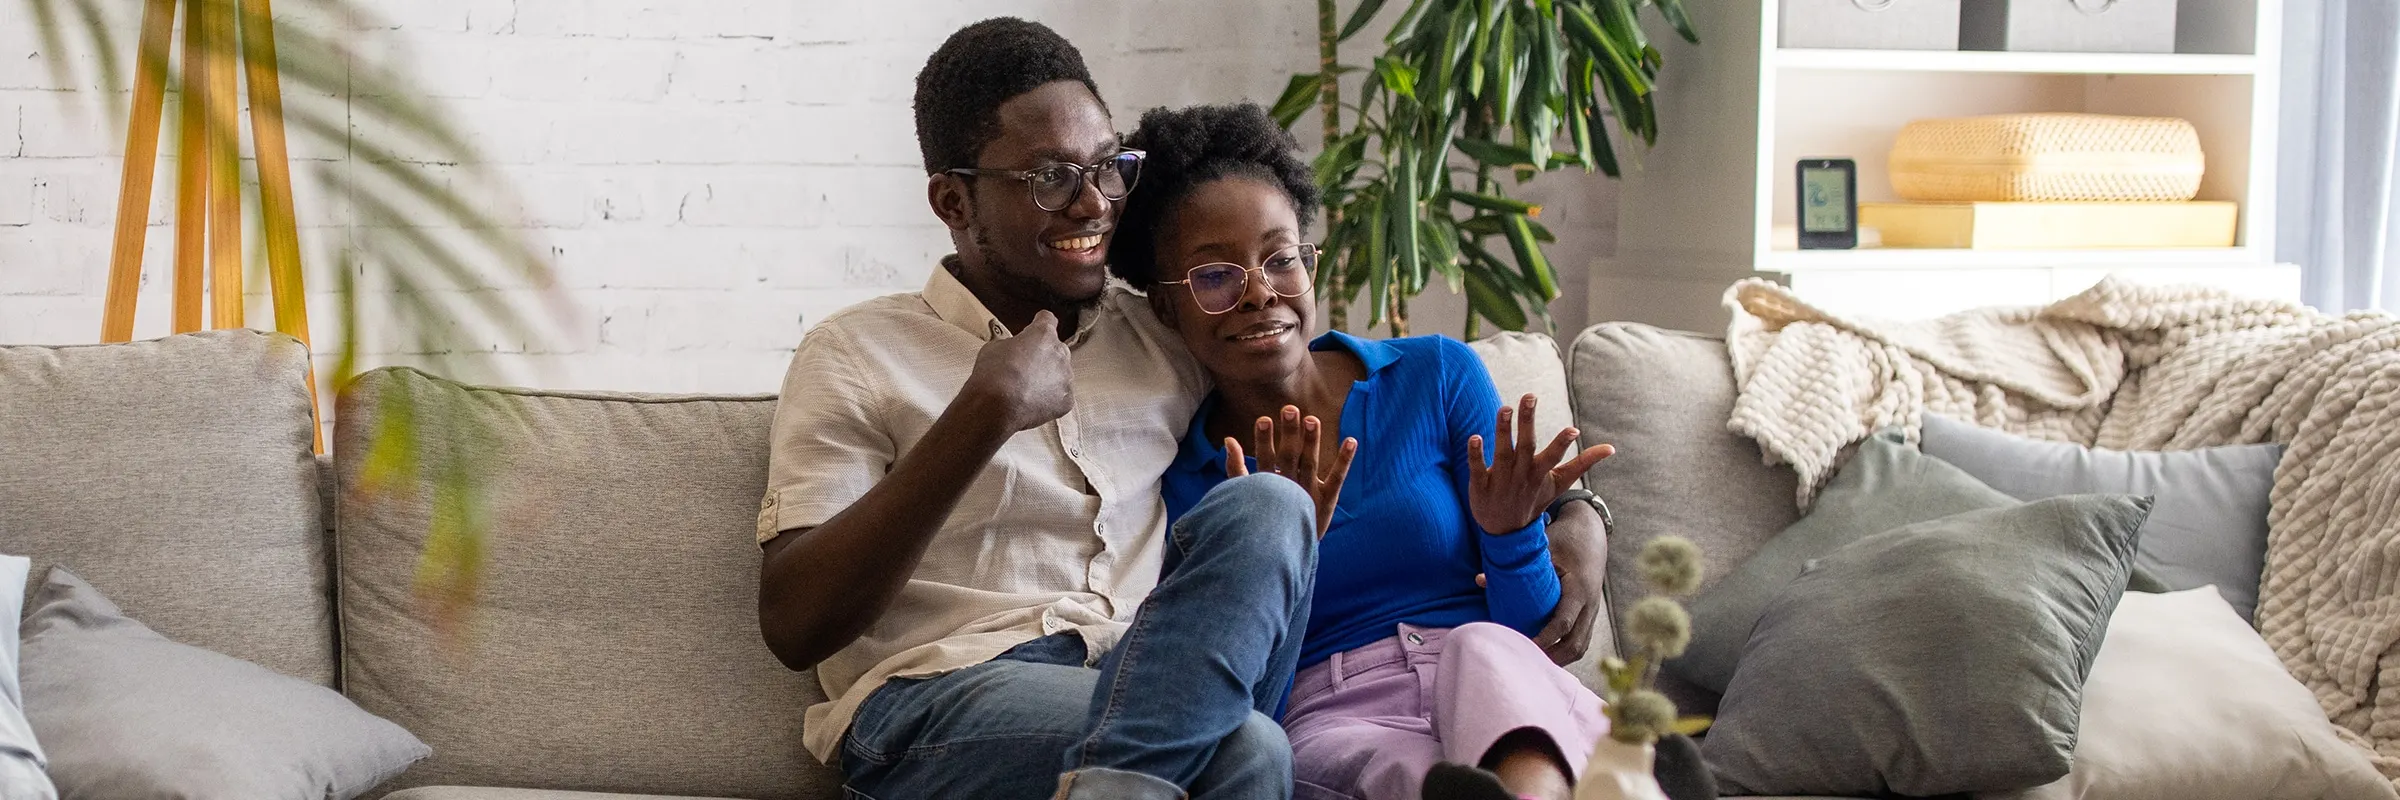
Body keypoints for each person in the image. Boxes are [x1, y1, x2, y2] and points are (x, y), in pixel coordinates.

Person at [757, 18, 1615, 800]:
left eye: (1106, 168)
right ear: (954, 202)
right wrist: (984, 411)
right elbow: (796, 624)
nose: (1094, 203)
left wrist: (1575, 513)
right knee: (1245, 753)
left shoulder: (1161, 336)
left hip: (1149, 672)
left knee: (1272, 505)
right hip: (945, 703)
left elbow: (1313, 357)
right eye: (1053, 178)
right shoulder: (857, 354)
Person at [1107, 102, 1618, 800]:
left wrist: (1509, 536)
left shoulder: (1434, 376)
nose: (1260, 293)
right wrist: (1291, 551)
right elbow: (1242, 707)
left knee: (1480, 651)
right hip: (1332, 714)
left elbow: (1538, 634)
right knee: (1402, 775)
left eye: (1280, 258)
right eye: (1216, 276)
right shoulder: (1193, 481)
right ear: (1166, 307)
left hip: (1497, 681)